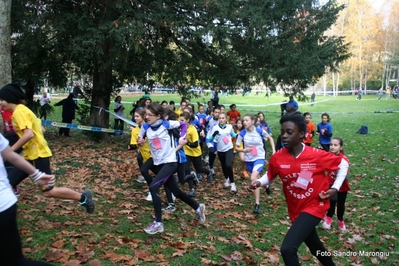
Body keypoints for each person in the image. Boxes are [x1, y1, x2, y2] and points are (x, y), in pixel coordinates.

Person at [248, 112, 349, 266]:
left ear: (301, 134)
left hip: (315, 205)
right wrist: (258, 182)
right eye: (282, 132)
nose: (284, 136)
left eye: (289, 132)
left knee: (288, 249)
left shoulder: (316, 155)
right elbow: (270, 175)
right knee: (316, 247)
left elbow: (343, 164)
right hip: (295, 208)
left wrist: (335, 188)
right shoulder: (277, 157)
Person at [0, 83, 95, 213]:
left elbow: (29, 134)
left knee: (49, 192)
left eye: (2, 100)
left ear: (9, 98)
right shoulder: (24, 110)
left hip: (39, 155)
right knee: (8, 184)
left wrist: (9, 151)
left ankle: (83, 197)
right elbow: (42, 130)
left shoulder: (18, 113)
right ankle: (7, 216)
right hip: (30, 155)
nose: (0, 103)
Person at [137, 103, 205, 234]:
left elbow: (183, 125)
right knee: (177, 192)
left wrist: (182, 137)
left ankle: (158, 223)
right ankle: (197, 208)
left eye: (149, 115)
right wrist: (140, 141)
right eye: (145, 114)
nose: (146, 117)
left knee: (153, 187)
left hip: (169, 162)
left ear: (158, 116)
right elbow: (141, 139)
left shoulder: (166, 124)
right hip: (157, 161)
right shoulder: (145, 126)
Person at [0, 133, 54, 266]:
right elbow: (10, 154)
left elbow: (30, 133)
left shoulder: (21, 112)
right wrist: (36, 174)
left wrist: (37, 175)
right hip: (6, 203)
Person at [236, 114, 275, 213]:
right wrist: (244, 150)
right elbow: (236, 147)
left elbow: (270, 138)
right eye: (243, 120)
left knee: (253, 178)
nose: (244, 122)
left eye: (247, 120)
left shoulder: (259, 130)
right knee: (256, 178)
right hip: (249, 159)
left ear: (253, 121)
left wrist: (274, 152)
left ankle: (257, 204)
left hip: (259, 157)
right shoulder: (242, 133)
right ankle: (266, 185)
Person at [180, 111, 212, 196]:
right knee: (187, 170)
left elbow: (195, 144)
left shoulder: (192, 129)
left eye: (182, 120)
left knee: (199, 169)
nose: (180, 122)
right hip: (186, 152)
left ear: (188, 120)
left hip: (195, 152)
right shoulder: (180, 128)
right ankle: (192, 189)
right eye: (180, 120)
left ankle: (209, 173)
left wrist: (185, 142)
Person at [322, 137, 351, 231]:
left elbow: (343, 176)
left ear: (341, 147)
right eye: (331, 145)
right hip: (330, 182)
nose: (332, 147)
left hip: (342, 185)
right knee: (332, 200)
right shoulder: (326, 156)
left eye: (335, 145)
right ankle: (329, 217)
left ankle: (340, 220)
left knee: (341, 203)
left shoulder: (344, 160)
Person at [208, 112, 237, 192]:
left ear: (226, 119)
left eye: (223, 118)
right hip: (220, 150)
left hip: (229, 148)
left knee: (228, 165)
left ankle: (232, 183)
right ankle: (226, 178)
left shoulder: (229, 127)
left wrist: (237, 136)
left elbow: (232, 134)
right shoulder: (215, 128)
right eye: (220, 118)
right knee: (223, 166)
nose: (221, 120)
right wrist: (213, 135)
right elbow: (210, 140)